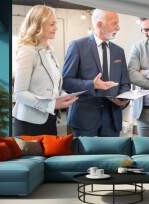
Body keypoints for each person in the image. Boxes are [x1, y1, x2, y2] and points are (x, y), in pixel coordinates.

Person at [62, 9, 131, 137]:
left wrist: (123, 98)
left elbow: (125, 83)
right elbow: (66, 82)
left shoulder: (119, 51)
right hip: (84, 120)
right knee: (86, 158)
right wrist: (92, 85)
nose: (118, 27)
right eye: (114, 23)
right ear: (99, 25)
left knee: (112, 157)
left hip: (112, 120)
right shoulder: (77, 46)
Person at [13, 5, 78, 136]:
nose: (56, 28)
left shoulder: (50, 52)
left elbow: (52, 87)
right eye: (52, 24)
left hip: (50, 119)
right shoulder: (27, 51)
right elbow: (20, 93)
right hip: (29, 124)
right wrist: (51, 105)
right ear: (38, 25)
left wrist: (64, 96)